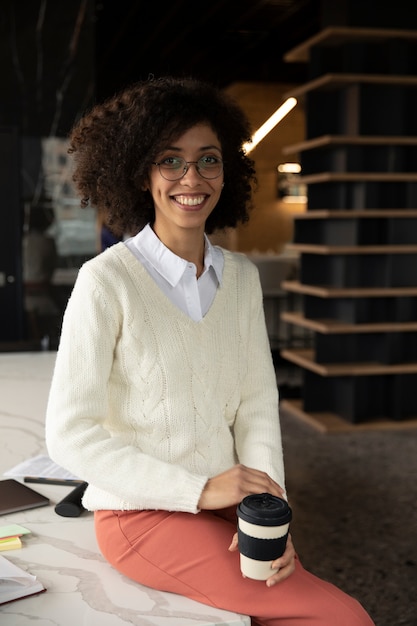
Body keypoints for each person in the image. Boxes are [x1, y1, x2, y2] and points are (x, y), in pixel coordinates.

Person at [45, 76, 375, 626]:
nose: (191, 178)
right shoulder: (106, 281)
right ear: (140, 172)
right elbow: (69, 434)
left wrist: (271, 518)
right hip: (142, 514)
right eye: (170, 160)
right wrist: (199, 489)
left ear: (228, 170)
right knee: (343, 617)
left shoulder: (241, 278)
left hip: (228, 504)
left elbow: (255, 407)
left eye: (208, 159)